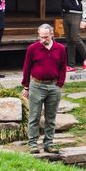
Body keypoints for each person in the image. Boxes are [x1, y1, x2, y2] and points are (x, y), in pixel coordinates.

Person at [21, 24, 66, 154]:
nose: (43, 39)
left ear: (52, 34)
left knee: (50, 117)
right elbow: (26, 67)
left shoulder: (60, 48)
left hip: (54, 86)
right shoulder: (33, 48)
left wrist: (60, 84)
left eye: (46, 37)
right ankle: (33, 144)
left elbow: (63, 67)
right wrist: (26, 86)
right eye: (41, 37)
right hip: (36, 85)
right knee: (34, 116)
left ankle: (49, 143)